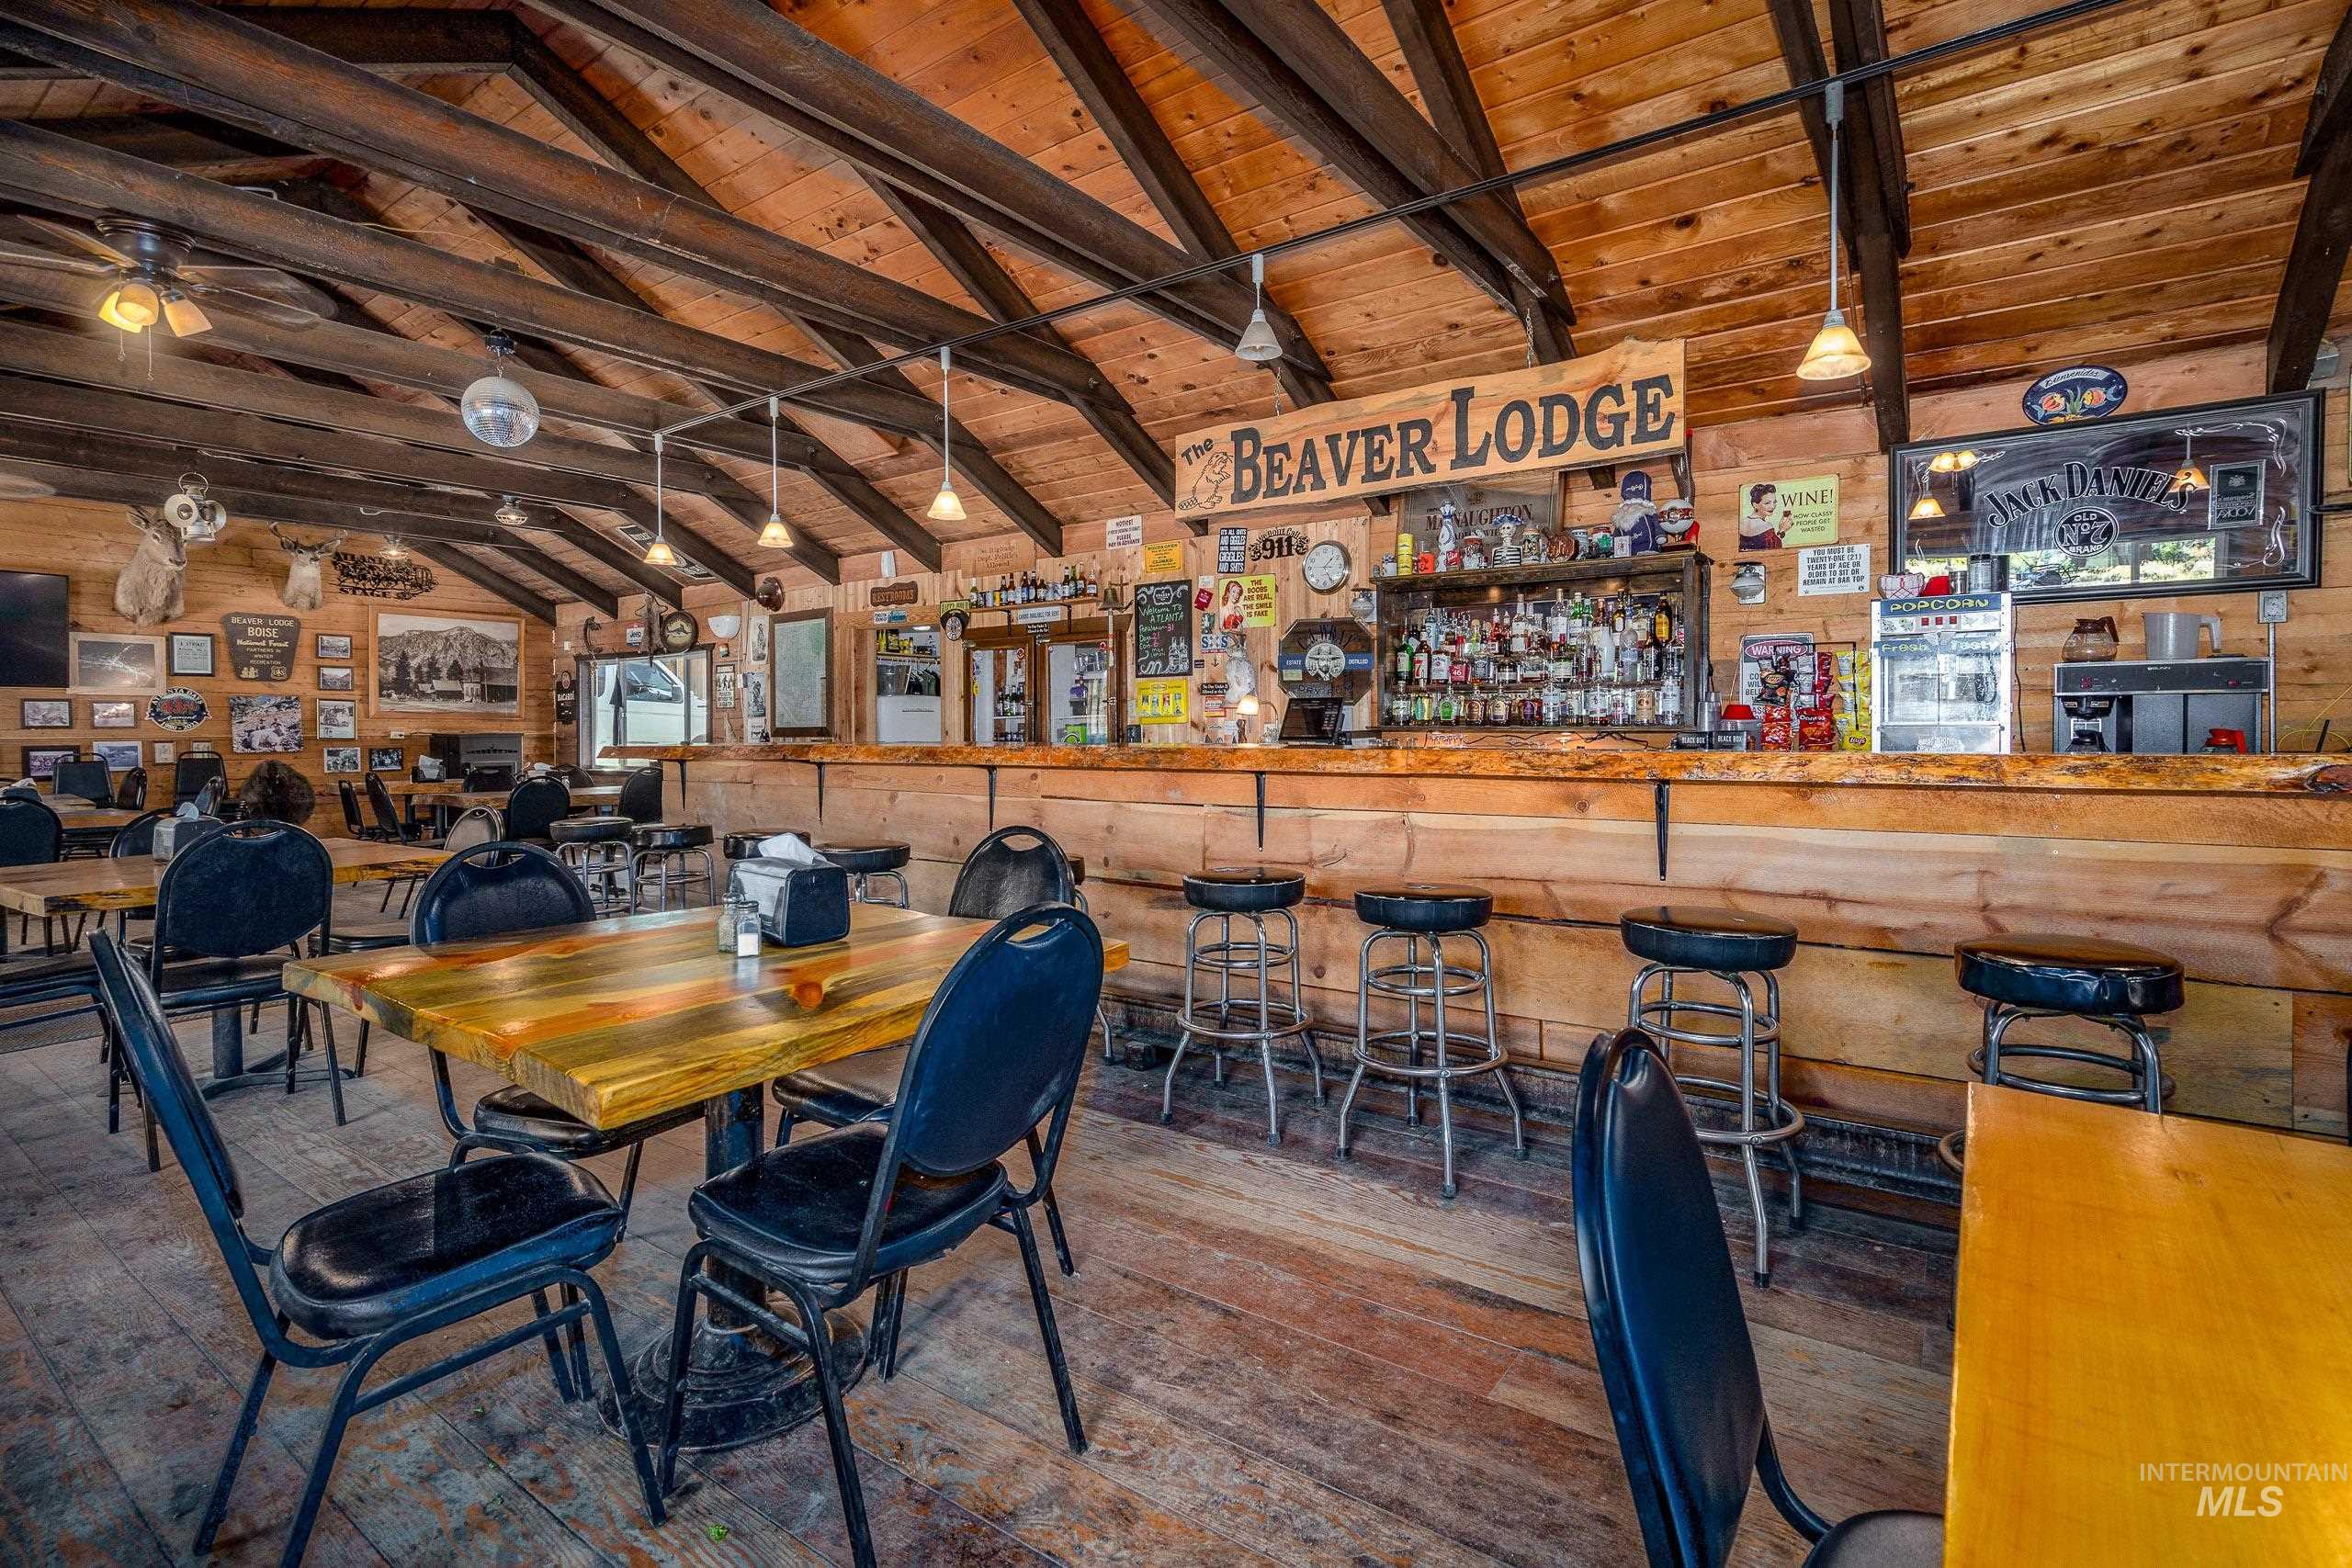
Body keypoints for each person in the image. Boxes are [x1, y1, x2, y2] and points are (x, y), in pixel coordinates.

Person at [237, 759, 316, 825]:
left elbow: (301, 793)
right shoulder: (259, 780)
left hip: (284, 809)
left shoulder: (288, 779)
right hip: (265, 810)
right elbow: (250, 798)